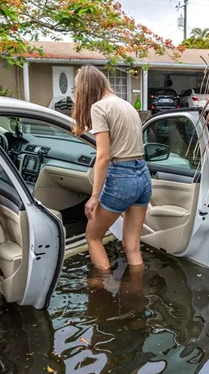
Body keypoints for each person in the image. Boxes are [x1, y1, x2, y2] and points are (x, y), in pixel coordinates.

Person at [72, 65, 152, 270]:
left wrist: (94, 197)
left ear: (85, 88)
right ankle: (137, 295)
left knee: (93, 237)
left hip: (121, 178)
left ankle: (104, 293)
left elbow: (103, 157)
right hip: (143, 176)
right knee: (132, 246)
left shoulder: (99, 107)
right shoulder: (126, 105)